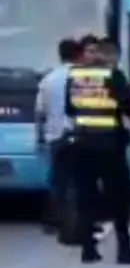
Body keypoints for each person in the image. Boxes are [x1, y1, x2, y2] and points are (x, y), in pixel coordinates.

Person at [64, 35, 130, 265]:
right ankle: (124, 249)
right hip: (110, 145)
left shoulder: (75, 76)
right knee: (119, 198)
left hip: (82, 143)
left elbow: (70, 109)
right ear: (112, 55)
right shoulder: (114, 76)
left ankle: (88, 250)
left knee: (86, 197)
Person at [35, 37, 79, 243]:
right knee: (77, 183)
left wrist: (39, 138)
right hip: (79, 136)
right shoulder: (84, 78)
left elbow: (40, 112)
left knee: (58, 182)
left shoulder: (48, 80)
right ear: (78, 54)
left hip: (55, 138)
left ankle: (56, 221)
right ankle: (74, 226)